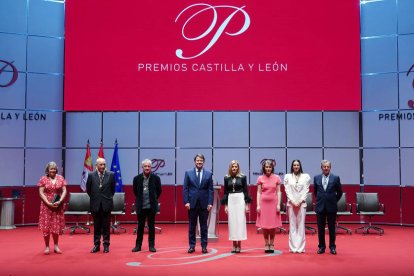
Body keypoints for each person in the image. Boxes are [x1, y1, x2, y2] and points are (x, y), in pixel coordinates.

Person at [183, 154, 214, 254]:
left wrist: (210, 203)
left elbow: (210, 190)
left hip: (204, 204)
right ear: (194, 161)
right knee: (192, 226)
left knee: (204, 227)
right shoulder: (188, 173)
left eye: (201, 160)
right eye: (197, 160)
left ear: (203, 162)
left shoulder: (209, 174)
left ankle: (204, 246)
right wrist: (186, 201)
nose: (199, 162)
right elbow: (185, 189)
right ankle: (192, 246)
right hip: (191, 204)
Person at [131, 159, 162, 253]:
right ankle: (138, 245)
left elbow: (159, 191)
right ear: (142, 167)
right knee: (140, 226)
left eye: (149, 166)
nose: (147, 168)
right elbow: (135, 191)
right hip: (141, 206)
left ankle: (151, 246)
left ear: (151, 167)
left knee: (151, 227)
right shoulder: (136, 178)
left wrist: (154, 198)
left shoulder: (156, 178)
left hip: (151, 206)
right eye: (145, 166)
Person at [86, 158, 115, 254]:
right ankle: (96, 245)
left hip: (107, 204)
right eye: (101, 165)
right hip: (95, 204)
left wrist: (106, 198)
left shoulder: (111, 175)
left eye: (104, 164)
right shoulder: (91, 175)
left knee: (106, 226)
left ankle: (106, 245)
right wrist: (96, 198)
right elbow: (88, 190)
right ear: (96, 165)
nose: (102, 166)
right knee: (97, 226)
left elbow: (113, 190)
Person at [314, 160, 343, 255]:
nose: (326, 168)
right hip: (320, 206)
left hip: (331, 206)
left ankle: (332, 247)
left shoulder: (335, 178)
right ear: (321, 167)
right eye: (324, 166)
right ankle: (321, 247)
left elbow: (340, 192)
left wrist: (333, 200)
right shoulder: (316, 178)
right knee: (321, 228)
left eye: (328, 166)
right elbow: (315, 192)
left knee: (331, 228)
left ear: (330, 167)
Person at [221, 160, 251, 253]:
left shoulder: (243, 177)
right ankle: (234, 244)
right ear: (230, 167)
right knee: (232, 222)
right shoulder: (226, 178)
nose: (234, 168)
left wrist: (247, 205)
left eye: (236, 166)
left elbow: (246, 191)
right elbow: (225, 192)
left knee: (240, 221)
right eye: (233, 166)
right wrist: (226, 205)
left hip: (240, 199)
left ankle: (239, 245)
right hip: (231, 199)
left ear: (238, 167)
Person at [38, 161, 67, 255]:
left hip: (57, 205)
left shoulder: (60, 178)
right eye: (51, 168)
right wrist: (48, 203)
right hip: (46, 206)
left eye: (54, 168)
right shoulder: (43, 178)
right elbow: (41, 192)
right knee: (46, 227)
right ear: (48, 170)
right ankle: (47, 246)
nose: (53, 170)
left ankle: (56, 246)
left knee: (56, 226)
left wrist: (60, 200)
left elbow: (64, 190)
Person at [284, 159, 310, 253]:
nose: (296, 166)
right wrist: (293, 201)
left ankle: (300, 248)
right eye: (294, 165)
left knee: (301, 226)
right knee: (292, 226)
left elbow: (306, 190)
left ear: (300, 166)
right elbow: (287, 190)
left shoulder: (305, 176)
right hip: (291, 204)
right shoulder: (288, 176)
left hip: (301, 204)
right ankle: (293, 247)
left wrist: (299, 201)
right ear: (292, 166)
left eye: (297, 165)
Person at [256, 159, 282, 253]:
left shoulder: (277, 178)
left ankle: (272, 243)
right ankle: (266, 244)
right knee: (265, 226)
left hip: (273, 204)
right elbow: (258, 193)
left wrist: (278, 204)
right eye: (266, 167)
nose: (268, 168)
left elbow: (279, 192)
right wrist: (258, 205)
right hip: (263, 204)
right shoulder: (260, 178)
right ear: (264, 168)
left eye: (270, 167)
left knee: (273, 226)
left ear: (272, 168)